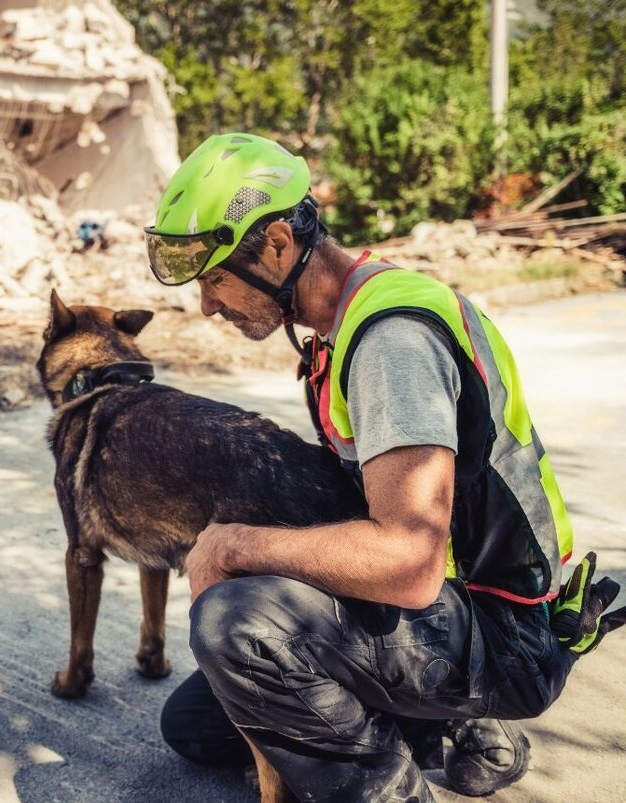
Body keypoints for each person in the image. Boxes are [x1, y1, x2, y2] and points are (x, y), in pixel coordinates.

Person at [142, 133, 619, 801]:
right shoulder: (342, 322)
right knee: (195, 724)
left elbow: (407, 561)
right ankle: (448, 727)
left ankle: (398, 781)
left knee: (236, 629)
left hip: (503, 631)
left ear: (279, 243)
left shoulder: (391, 341)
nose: (208, 305)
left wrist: (237, 546)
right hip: (455, 611)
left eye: (216, 278)